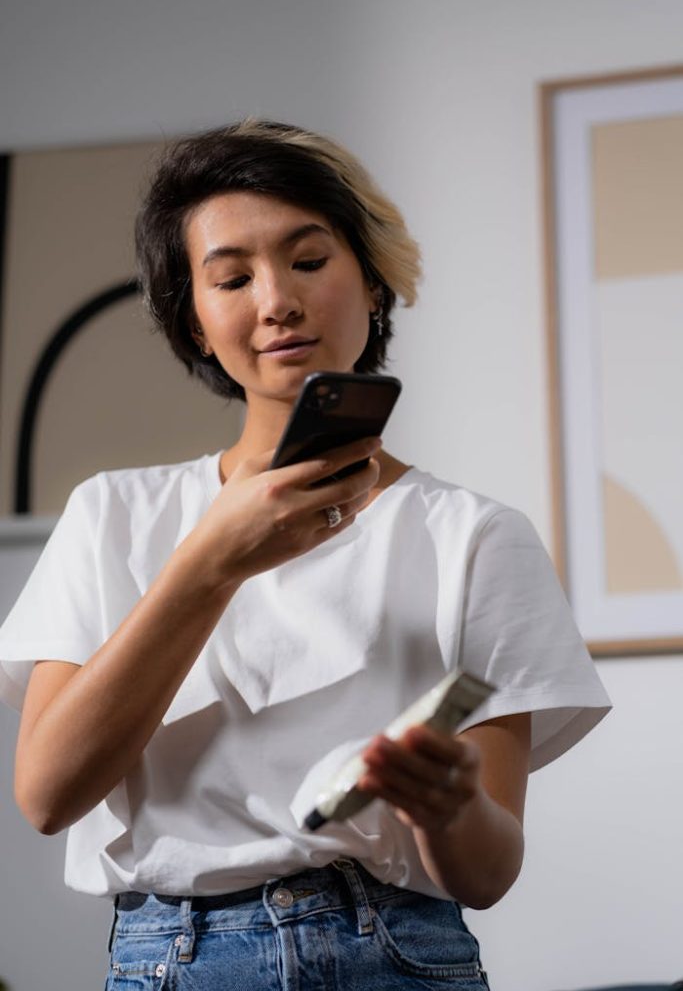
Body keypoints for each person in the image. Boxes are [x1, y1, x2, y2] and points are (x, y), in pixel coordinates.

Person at [0, 119, 611, 990]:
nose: (276, 300)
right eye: (231, 277)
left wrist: (444, 807)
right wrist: (210, 561)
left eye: (309, 260)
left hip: (399, 954)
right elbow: (47, 796)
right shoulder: (114, 515)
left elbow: (486, 872)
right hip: (175, 962)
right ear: (196, 323)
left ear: (372, 283)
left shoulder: (473, 537)